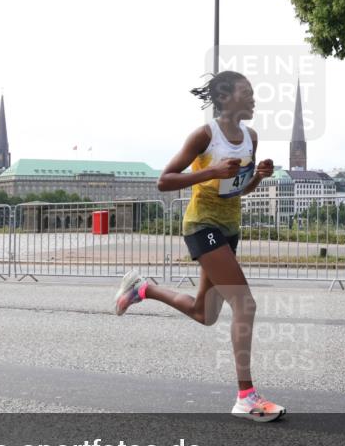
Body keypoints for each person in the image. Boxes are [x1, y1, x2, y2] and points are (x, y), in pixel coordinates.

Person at [113, 71, 285, 422]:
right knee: (245, 303)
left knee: (204, 314)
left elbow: (236, 189)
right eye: (246, 92)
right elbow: (164, 181)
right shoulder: (205, 135)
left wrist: (257, 178)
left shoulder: (251, 136)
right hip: (201, 225)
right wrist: (210, 172)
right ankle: (246, 397)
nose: (253, 98)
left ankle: (144, 289)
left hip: (229, 228)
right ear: (225, 99)